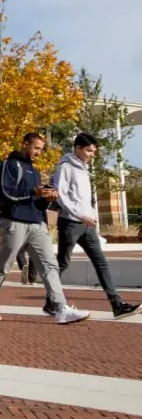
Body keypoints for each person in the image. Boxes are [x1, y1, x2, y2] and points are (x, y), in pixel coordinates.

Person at [0, 133, 90, 325]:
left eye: (41, 149)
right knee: (3, 265)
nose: (38, 153)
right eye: (36, 148)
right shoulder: (11, 165)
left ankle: (61, 308)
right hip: (14, 222)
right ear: (25, 145)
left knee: (50, 266)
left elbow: (35, 202)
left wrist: (46, 199)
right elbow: (8, 193)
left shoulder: (35, 170)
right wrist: (33, 192)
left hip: (37, 224)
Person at [48, 133, 140, 319]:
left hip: (87, 225)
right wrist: (79, 214)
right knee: (63, 263)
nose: (92, 155)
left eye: (94, 151)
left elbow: (82, 198)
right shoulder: (65, 167)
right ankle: (52, 302)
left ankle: (117, 305)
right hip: (70, 223)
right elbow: (61, 195)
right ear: (78, 148)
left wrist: (90, 214)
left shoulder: (84, 169)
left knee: (101, 263)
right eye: (89, 151)